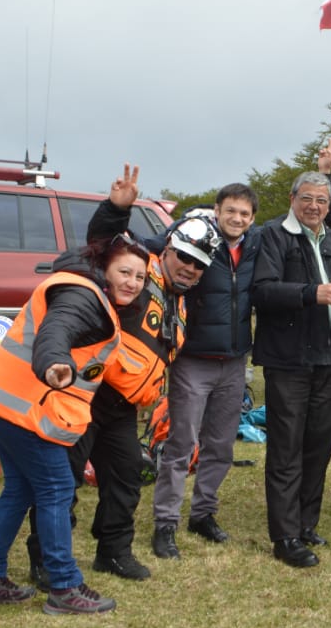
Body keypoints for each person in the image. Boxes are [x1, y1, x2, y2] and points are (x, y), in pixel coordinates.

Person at [24, 165, 221, 583]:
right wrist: (116, 209)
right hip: (85, 393)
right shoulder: (136, 270)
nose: (189, 267)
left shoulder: (182, 302)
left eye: (199, 264)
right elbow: (100, 246)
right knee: (63, 482)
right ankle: (43, 558)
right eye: (183, 257)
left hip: (123, 408)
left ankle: (112, 551)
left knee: (126, 477)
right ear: (167, 248)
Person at [0, 236, 148, 613]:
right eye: (125, 272)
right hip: (23, 408)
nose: (132, 282)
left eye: (140, 277)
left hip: (1, 400)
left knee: (19, 490)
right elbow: (57, 330)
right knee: (56, 488)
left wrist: (116, 209)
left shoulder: (81, 283)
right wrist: (53, 362)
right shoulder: (84, 296)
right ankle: (64, 587)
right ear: (104, 268)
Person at [143, 183, 262, 556]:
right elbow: (154, 245)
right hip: (193, 360)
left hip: (234, 361)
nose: (237, 219)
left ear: (252, 219)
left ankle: (203, 513)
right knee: (181, 445)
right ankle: (165, 523)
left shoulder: (255, 244)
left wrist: (327, 175)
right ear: (217, 210)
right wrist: (184, 220)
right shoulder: (196, 239)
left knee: (221, 446)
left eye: (244, 214)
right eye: (231, 211)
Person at [252, 170, 331, 568]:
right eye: (308, 199)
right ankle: (284, 536)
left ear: (329, 206)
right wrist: (311, 293)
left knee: (319, 446)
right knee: (286, 449)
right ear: (293, 198)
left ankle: (306, 523)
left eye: (322, 201)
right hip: (288, 361)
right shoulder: (272, 235)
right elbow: (261, 291)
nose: (314, 206)